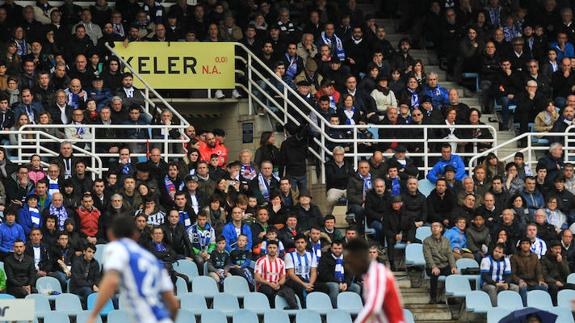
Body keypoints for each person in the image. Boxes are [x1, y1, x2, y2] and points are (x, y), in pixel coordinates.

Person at [86, 216, 179, 323]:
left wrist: (93, 315)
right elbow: (173, 304)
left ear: (111, 234)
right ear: (135, 235)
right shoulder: (151, 260)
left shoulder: (116, 248)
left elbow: (111, 281)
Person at [343, 238, 405, 323]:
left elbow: (373, 307)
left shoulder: (377, 273)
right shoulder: (369, 275)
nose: (347, 266)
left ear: (358, 258)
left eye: (349, 261)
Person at [254, 240, 298, 309]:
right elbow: (257, 278)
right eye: (270, 248)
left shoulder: (281, 262)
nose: (272, 250)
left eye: (274, 248)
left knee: (289, 290)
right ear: (266, 249)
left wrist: (278, 284)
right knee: (269, 291)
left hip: (277, 285)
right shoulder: (260, 261)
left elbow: (283, 277)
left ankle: (294, 307)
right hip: (264, 285)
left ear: (277, 249)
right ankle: (273, 310)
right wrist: (269, 283)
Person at [317, 240, 361, 307]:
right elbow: (324, 274)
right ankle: (335, 309)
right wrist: (338, 282)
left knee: (356, 287)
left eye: (339, 248)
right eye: (335, 248)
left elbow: (350, 274)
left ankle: (352, 310)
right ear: (331, 248)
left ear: (342, 249)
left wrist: (346, 283)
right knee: (335, 286)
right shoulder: (325, 257)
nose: (337, 250)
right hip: (329, 282)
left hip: (343, 282)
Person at [423, 222, 456, 304]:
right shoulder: (427, 241)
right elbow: (428, 256)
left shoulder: (446, 240)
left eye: (436, 226)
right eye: (432, 226)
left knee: (453, 274)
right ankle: (433, 298)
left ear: (441, 229)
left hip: (444, 265)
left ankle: (450, 298)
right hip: (432, 266)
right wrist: (433, 267)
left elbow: (449, 254)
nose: (434, 228)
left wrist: (453, 266)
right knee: (434, 275)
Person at [511, 237, 548, 306]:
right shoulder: (514, 257)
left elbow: (538, 271)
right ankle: (525, 308)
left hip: (533, 282)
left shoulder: (535, 256)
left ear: (530, 245)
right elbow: (513, 274)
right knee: (523, 288)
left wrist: (540, 280)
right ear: (520, 245)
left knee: (544, 287)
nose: (525, 245)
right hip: (521, 282)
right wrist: (519, 281)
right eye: (523, 243)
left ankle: (544, 308)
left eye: (527, 243)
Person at [284, 234, 317, 307]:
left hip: (308, 281)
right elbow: (291, 274)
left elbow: (313, 272)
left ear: (306, 243)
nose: (300, 245)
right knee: (299, 286)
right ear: (295, 244)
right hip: (295, 281)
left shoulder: (311, 255)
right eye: (298, 242)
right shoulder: (289, 255)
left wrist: (310, 284)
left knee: (324, 287)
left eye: (302, 242)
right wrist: (304, 284)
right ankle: (303, 308)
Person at [540, 240, 574, 305]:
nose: (558, 251)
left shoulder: (563, 257)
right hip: (550, 282)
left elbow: (567, 273)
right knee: (554, 288)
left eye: (559, 249)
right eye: (556, 249)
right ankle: (555, 306)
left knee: (573, 286)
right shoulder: (544, 259)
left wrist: (561, 262)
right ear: (551, 249)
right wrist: (555, 282)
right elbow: (544, 275)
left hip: (561, 282)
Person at [70, 243, 100, 307]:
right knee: (88, 291)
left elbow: (97, 278)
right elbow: (78, 281)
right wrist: (92, 286)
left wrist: (96, 285)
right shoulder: (77, 262)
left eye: (93, 252)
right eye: (89, 251)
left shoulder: (95, 263)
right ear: (84, 252)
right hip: (76, 288)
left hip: (89, 287)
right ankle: (89, 311)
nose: (91, 254)